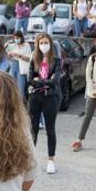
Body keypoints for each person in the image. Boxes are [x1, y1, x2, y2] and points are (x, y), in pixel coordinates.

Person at [27, 34, 61, 174]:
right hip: (35, 97)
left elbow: (55, 80)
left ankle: (51, 160)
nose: (44, 45)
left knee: (50, 129)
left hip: (50, 98)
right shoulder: (33, 60)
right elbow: (30, 79)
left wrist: (39, 81)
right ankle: (31, 159)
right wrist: (45, 81)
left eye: (46, 42)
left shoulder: (57, 61)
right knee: (33, 129)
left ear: (50, 44)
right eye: (41, 42)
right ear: (37, 44)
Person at [6, 30, 31, 98]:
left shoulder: (26, 45)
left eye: (17, 38)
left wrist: (18, 55)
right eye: (15, 38)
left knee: (21, 88)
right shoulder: (12, 45)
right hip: (13, 65)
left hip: (22, 67)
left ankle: (21, 104)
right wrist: (9, 54)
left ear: (21, 37)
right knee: (11, 87)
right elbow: (7, 57)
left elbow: (28, 59)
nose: (16, 39)